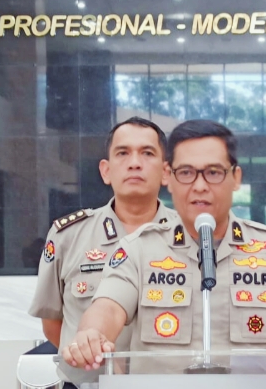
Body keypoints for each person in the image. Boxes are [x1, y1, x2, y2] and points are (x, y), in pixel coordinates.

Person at [62, 120, 266, 371]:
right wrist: (92, 334)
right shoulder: (138, 249)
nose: (200, 186)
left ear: (235, 177)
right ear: (169, 177)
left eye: (213, 173)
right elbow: (107, 308)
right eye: (186, 173)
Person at [28, 117, 177, 388]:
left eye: (147, 153)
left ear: (166, 171)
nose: (134, 163)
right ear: (106, 171)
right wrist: (92, 360)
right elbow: (53, 325)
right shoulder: (68, 237)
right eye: (123, 153)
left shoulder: (188, 237)